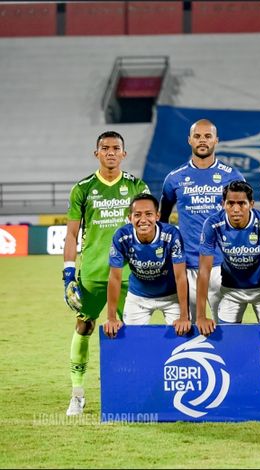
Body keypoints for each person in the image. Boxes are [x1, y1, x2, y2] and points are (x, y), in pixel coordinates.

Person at [62, 131, 150, 416]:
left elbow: (148, 228)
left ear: (124, 154)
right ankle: (77, 394)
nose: (110, 152)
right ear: (96, 153)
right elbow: (72, 234)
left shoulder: (137, 186)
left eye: (116, 148)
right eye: (105, 148)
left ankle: (126, 389)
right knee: (84, 327)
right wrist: (68, 275)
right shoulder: (83, 188)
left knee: (130, 332)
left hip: (129, 274)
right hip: (93, 273)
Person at [160, 119, 245, 324]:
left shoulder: (232, 176)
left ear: (216, 140)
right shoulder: (174, 178)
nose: (202, 141)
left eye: (208, 136)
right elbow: (162, 221)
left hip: (223, 265)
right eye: (197, 136)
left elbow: (245, 219)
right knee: (187, 326)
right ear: (189, 140)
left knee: (228, 327)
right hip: (188, 265)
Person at [195, 181, 260, 337]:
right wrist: (200, 316)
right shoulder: (213, 225)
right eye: (230, 203)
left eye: (242, 203)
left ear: (251, 204)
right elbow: (204, 271)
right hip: (231, 290)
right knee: (226, 339)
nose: (236, 209)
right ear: (223, 204)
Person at [102, 193, 191, 338]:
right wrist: (111, 318)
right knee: (131, 341)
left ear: (157, 216)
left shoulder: (172, 235)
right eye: (137, 215)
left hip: (171, 297)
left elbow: (181, 276)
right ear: (130, 218)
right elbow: (114, 278)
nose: (143, 220)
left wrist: (184, 315)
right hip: (138, 297)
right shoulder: (121, 236)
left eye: (148, 214)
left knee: (181, 339)